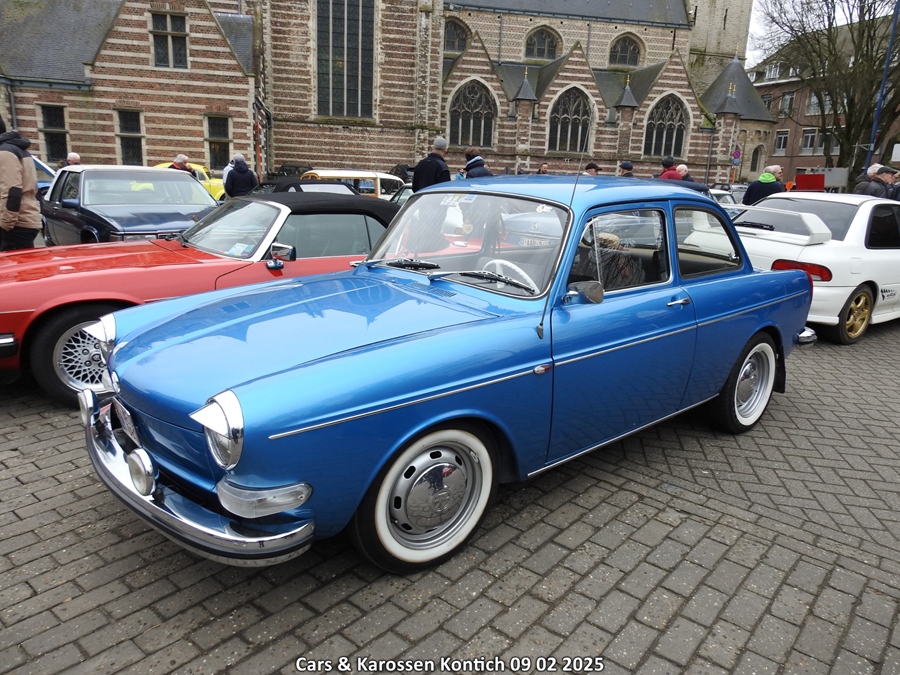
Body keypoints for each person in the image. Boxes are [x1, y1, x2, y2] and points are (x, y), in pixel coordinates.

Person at [0, 117, 42, 251]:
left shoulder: (5, 152)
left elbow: (12, 191)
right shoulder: (15, 148)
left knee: (12, 264)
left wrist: (5, 225)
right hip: (23, 221)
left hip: (17, 224)